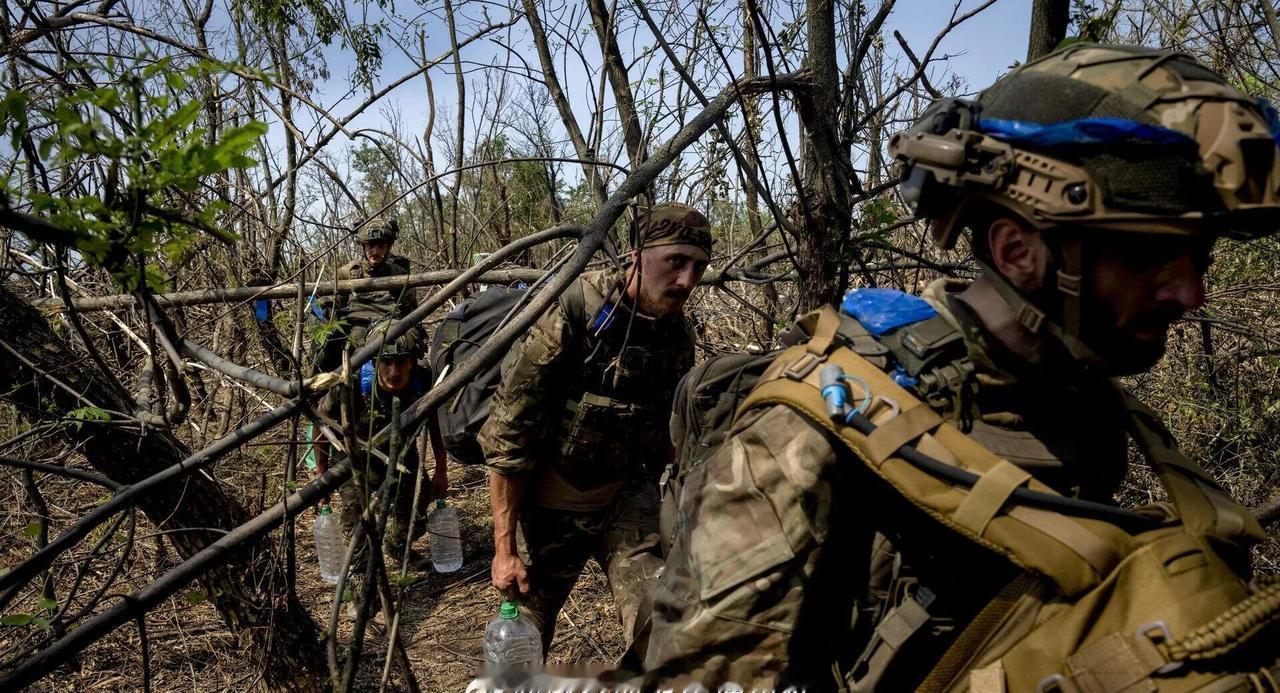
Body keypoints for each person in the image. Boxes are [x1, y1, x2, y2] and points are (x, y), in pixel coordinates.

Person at [643, 44, 1280, 689]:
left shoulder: (1080, 394)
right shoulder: (810, 433)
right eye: (1151, 257)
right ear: (1018, 251)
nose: (1189, 293)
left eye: (1199, 256)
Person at [479, 202, 713, 660]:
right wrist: (504, 548)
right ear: (637, 253)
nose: (687, 280)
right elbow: (508, 435)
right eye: (675, 262)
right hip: (548, 505)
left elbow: (670, 436)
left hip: (624, 500)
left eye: (698, 267)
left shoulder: (676, 333)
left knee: (662, 620)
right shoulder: (572, 311)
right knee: (522, 641)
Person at [314, 323, 448, 614]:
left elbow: (435, 422)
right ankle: (364, 593)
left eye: (401, 362)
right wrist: (321, 473)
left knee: (414, 515)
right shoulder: (349, 383)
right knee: (358, 529)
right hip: (355, 465)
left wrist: (441, 468)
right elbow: (321, 422)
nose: (393, 372)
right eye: (386, 363)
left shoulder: (423, 379)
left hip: (403, 456)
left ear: (413, 360)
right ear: (375, 362)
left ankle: (397, 547)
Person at [313, 215, 418, 374]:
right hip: (356, 336)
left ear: (388, 247)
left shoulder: (400, 273)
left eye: (381, 246)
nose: (375, 251)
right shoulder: (347, 272)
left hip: (390, 333)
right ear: (362, 246)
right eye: (370, 246)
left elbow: (409, 311)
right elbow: (333, 306)